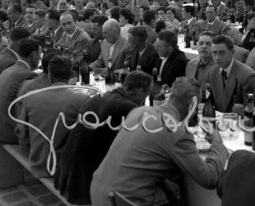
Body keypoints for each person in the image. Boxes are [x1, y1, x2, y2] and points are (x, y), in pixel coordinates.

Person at [90, 77, 228, 206]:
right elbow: (209, 179)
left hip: (100, 193)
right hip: (128, 200)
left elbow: (140, 160)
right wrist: (217, 143)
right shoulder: (176, 131)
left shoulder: (139, 112)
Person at [55, 71, 152, 204]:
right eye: (145, 96)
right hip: (85, 182)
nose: (144, 101)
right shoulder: (129, 108)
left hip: (66, 173)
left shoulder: (97, 98)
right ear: (140, 91)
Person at [15, 54, 90, 178]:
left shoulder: (31, 97)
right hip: (62, 166)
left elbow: (21, 131)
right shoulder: (82, 99)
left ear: (49, 75)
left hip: (37, 161)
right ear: (71, 75)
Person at [0, 38, 40, 144]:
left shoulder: (9, 69)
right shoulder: (28, 75)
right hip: (11, 133)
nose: (39, 58)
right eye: (39, 55)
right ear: (33, 54)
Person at [206, 35, 255, 112]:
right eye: (214, 53)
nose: (217, 57)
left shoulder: (248, 76)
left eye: (222, 53)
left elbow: (251, 111)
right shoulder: (212, 71)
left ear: (232, 52)